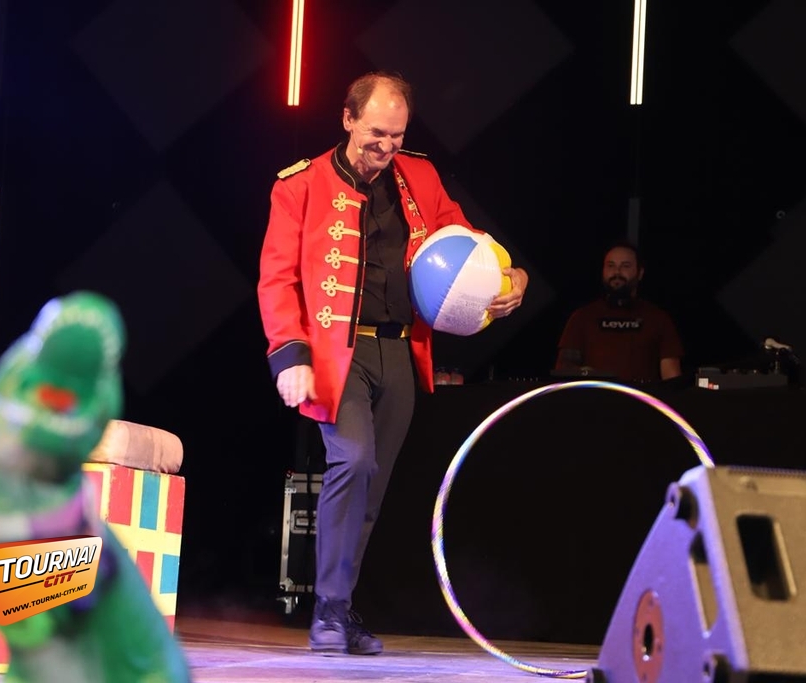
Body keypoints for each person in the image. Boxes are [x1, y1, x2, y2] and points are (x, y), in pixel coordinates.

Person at [257, 72, 528, 655]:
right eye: (376, 133)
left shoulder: (419, 176)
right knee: (353, 460)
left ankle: (340, 606)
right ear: (348, 119)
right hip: (337, 354)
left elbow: (466, 240)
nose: (386, 146)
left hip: (400, 348)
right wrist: (289, 356)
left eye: (397, 136)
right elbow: (277, 279)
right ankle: (328, 611)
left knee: (373, 487)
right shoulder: (300, 185)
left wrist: (512, 277)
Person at [555, 241, 683, 382]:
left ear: (640, 273)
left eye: (625, 266)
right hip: (594, 396)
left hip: (640, 397)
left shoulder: (658, 319)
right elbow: (564, 373)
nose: (617, 272)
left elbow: (672, 381)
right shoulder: (581, 317)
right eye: (611, 266)